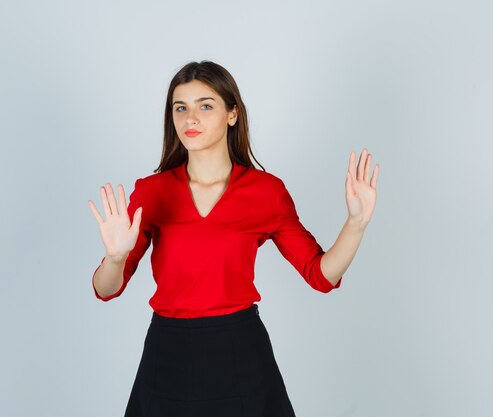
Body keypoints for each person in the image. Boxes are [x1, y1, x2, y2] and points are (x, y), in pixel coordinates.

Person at [88, 60, 379, 417]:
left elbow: (321, 275)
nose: (190, 118)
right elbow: (105, 289)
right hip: (168, 354)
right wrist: (115, 258)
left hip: (239, 352)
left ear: (232, 114)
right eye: (180, 108)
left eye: (205, 106)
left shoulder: (266, 192)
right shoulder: (151, 192)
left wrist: (356, 223)